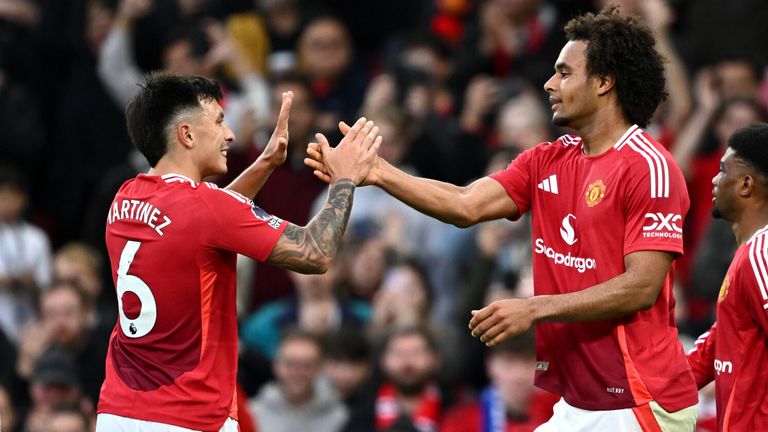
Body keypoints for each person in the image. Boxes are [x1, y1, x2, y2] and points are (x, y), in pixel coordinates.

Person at [306, 6, 698, 430]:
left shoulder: (649, 167)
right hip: (582, 400)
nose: (550, 84)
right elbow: (465, 204)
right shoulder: (550, 158)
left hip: (640, 398)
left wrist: (534, 309)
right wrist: (378, 172)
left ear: (604, 83)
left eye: (565, 73)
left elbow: (641, 286)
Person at [95, 72, 381, 432]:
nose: (229, 134)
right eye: (218, 121)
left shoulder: (125, 197)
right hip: (190, 417)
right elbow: (316, 253)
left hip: (117, 412)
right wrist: (345, 179)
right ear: (186, 134)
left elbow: (206, 220)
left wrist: (265, 163)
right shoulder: (207, 209)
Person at [686, 123, 768, 430]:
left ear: (746, 185)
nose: (714, 179)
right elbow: (722, 340)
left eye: (723, 170)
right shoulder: (750, 254)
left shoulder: (762, 253)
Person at [439, 330, 559, 432]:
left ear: (542, 366)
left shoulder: (562, 410)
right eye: (509, 363)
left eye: (529, 362)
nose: (519, 375)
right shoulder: (461, 421)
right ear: (490, 366)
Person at [248, 329, 348, 432]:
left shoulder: (340, 417)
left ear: (320, 368)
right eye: (290, 364)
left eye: (307, 365)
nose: (298, 373)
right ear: (276, 365)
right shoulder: (251, 414)